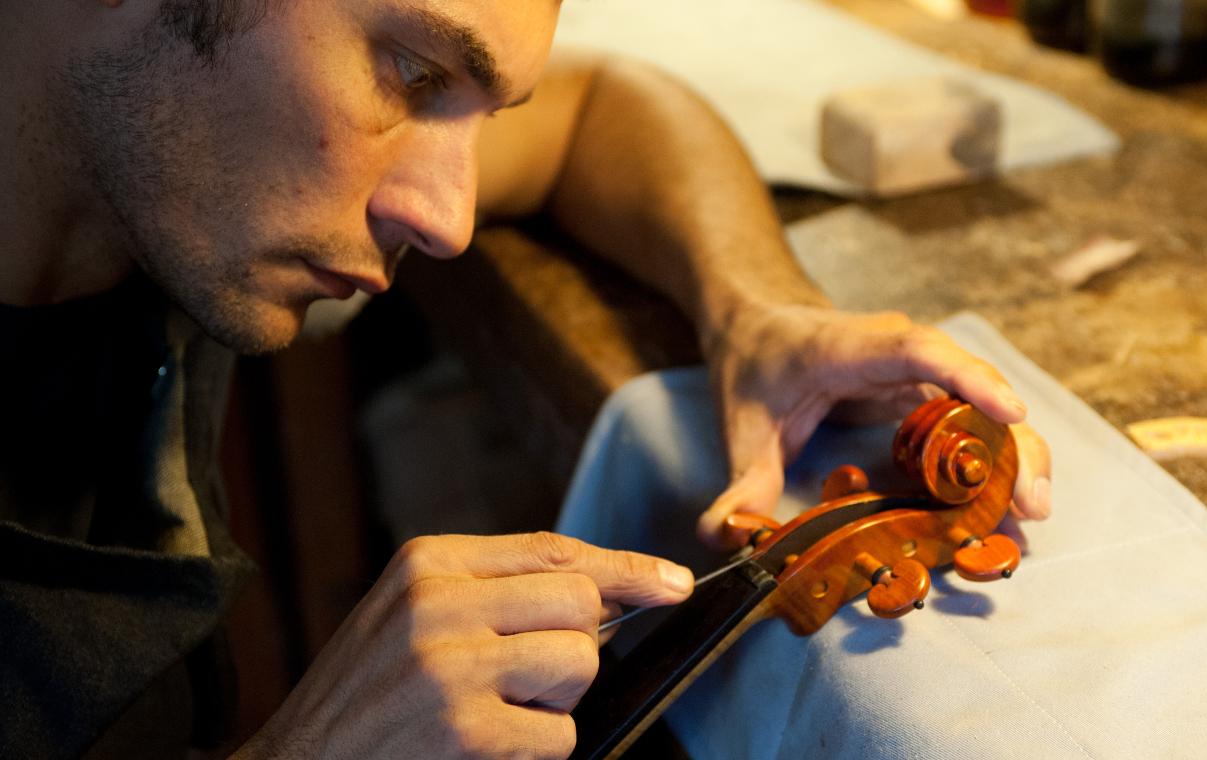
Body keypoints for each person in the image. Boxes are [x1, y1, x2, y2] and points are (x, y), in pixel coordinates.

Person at [0, 0, 1052, 757]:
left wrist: (759, 311)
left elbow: (604, 107)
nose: (449, 222)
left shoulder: (155, 168)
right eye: (411, 77)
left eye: (480, 112)